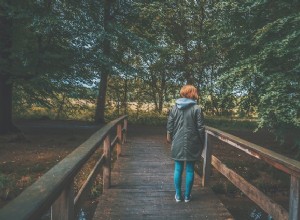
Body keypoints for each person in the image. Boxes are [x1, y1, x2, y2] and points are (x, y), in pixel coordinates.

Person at [167, 85, 205, 202]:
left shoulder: (174, 108)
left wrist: (170, 137)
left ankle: (178, 195)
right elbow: (201, 128)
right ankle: (187, 196)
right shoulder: (197, 108)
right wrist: (202, 142)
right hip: (192, 142)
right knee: (190, 169)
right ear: (192, 93)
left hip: (177, 141)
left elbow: (170, 125)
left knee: (178, 169)